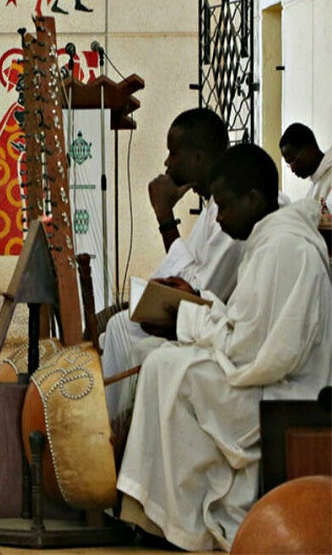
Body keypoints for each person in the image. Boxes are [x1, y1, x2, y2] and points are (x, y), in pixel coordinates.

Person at [117, 143, 332, 551]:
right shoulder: (270, 240)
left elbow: (251, 352)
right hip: (266, 376)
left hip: (285, 391)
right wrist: (198, 302)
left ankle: (178, 519)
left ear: (253, 199)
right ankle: (160, 512)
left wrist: (186, 319)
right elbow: (247, 326)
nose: (220, 218)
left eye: (224, 206)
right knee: (167, 362)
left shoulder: (285, 247)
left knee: (170, 369)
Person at [100, 109, 242, 425]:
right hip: (201, 326)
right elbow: (184, 274)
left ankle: (115, 434)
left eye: (173, 153)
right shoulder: (213, 208)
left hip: (215, 337)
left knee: (120, 330)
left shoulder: (230, 211)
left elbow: (197, 292)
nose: (166, 162)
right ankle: (118, 428)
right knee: (117, 324)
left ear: (198, 158)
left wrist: (164, 214)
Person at [279, 122, 331, 207]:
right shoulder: (316, 181)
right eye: (289, 164)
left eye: (293, 161)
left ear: (309, 149)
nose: (292, 169)